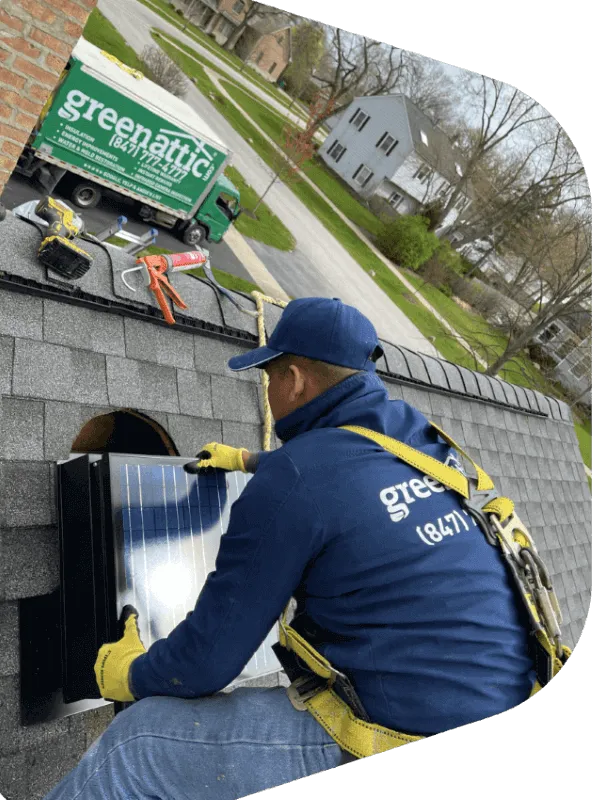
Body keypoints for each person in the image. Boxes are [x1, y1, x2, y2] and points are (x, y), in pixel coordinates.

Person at [44, 297, 536, 800]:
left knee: (137, 746)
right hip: (504, 691)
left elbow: (204, 664)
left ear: (296, 379)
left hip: (400, 729)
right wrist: (252, 460)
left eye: (271, 376)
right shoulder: (422, 437)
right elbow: (360, 471)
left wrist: (127, 672)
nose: (270, 389)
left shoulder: (297, 477)